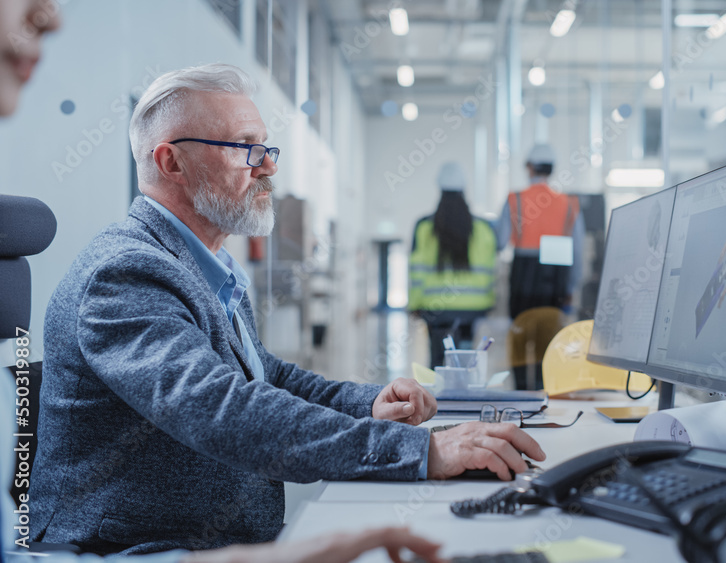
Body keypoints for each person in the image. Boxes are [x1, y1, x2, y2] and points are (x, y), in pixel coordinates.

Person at [25, 62, 543, 555]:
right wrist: (423, 452)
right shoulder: (125, 274)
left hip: (216, 538)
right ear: (171, 162)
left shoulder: (206, 265)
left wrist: (366, 403)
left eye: (266, 146)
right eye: (244, 148)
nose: (269, 165)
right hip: (136, 548)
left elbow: (264, 376)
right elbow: (222, 409)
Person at [408, 162, 497, 367]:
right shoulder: (483, 229)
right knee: (465, 363)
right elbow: (491, 270)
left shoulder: (424, 227)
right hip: (473, 308)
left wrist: (415, 305)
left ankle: (436, 398)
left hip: (436, 308)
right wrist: (488, 302)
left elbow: (416, 272)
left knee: (438, 364)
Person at [495, 143, 585, 320]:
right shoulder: (569, 203)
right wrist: (571, 288)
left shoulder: (515, 199)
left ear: (529, 167)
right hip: (556, 278)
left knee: (521, 337)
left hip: (523, 277)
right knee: (549, 339)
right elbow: (577, 251)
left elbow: (500, 241)